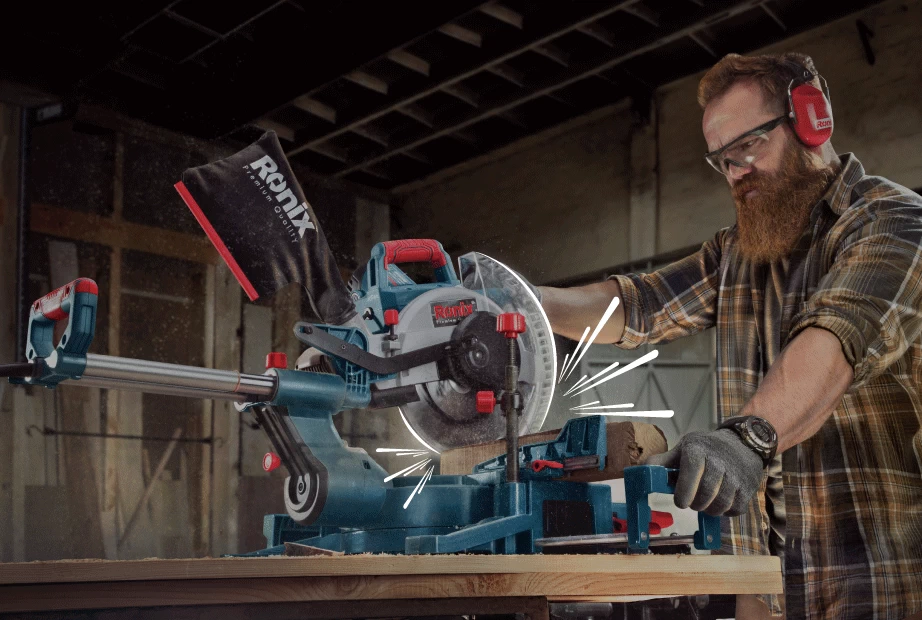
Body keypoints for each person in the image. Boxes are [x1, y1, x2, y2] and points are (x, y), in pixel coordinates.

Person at [538, 52, 922, 620]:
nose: (737, 172)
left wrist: (747, 439)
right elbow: (640, 306)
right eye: (722, 160)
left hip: (877, 585)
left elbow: (838, 336)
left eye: (749, 147)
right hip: (762, 589)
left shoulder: (894, 223)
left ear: (811, 121)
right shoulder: (738, 254)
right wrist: (517, 300)